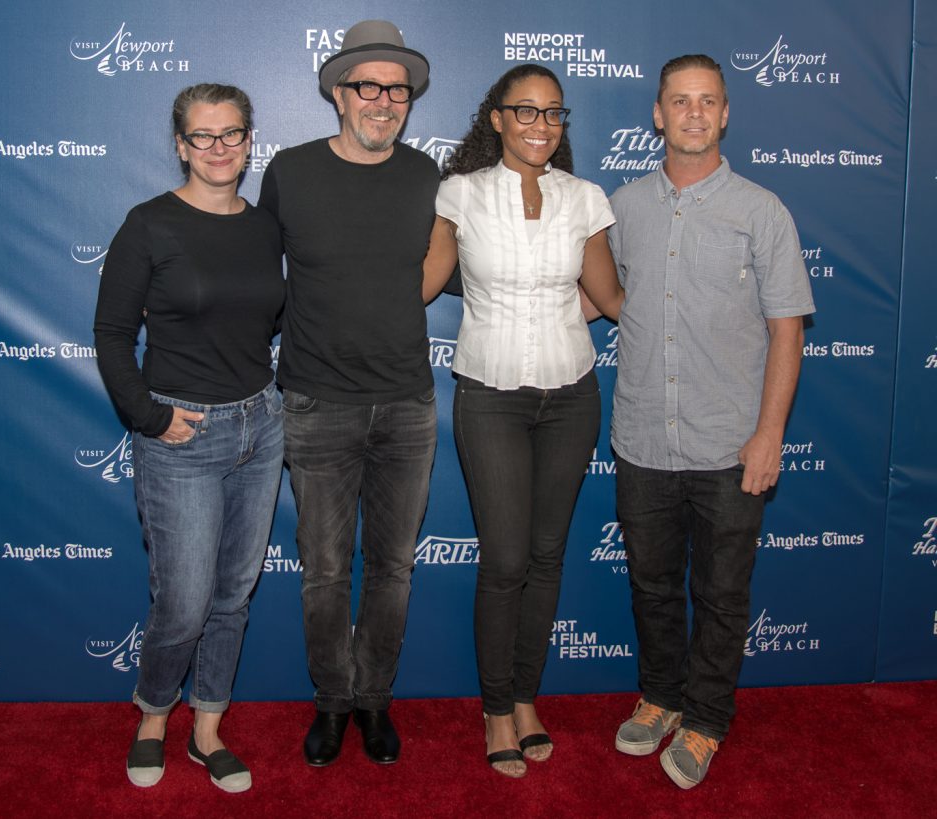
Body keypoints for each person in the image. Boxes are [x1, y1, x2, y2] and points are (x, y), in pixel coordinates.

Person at [605, 55, 815, 789]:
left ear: (725, 115)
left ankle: (706, 718)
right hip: (641, 437)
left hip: (730, 442)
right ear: (657, 115)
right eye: (679, 102)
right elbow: (608, 297)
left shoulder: (763, 211)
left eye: (708, 102)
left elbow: (787, 330)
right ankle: (661, 695)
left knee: (723, 593)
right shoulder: (623, 206)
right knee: (651, 584)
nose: (693, 113)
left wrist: (769, 434)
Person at [422, 64, 620, 778]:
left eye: (554, 113)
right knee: (505, 561)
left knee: (545, 556)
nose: (541, 125)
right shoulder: (460, 193)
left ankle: (529, 696)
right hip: (491, 394)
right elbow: (421, 284)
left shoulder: (586, 198)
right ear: (497, 118)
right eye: (525, 111)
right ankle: (496, 707)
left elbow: (611, 298)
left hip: (572, 395)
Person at [94, 83, 285, 792]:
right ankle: (153, 714)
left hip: (261, 425)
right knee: (182, 599)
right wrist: (150, 417)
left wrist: (269, 407)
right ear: (180, 144)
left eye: (232, 133)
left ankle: (207, 726)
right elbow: (112, 334)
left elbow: (266, 322)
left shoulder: (264, 226)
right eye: (202, 136)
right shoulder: (148, 224)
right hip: (182, 434)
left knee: (233, 592)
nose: (218, 148)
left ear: (248, 140)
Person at [257, 20, 438, 767]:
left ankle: (375, 700)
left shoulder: (430, 176)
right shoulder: (290, 172)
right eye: (369, 85)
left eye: (397, 89)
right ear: (338, 93)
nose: (384, 100)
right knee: (326, 571)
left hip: (406, 405)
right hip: (315, 402)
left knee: (393, 569)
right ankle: (332, 702)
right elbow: (253, 279)